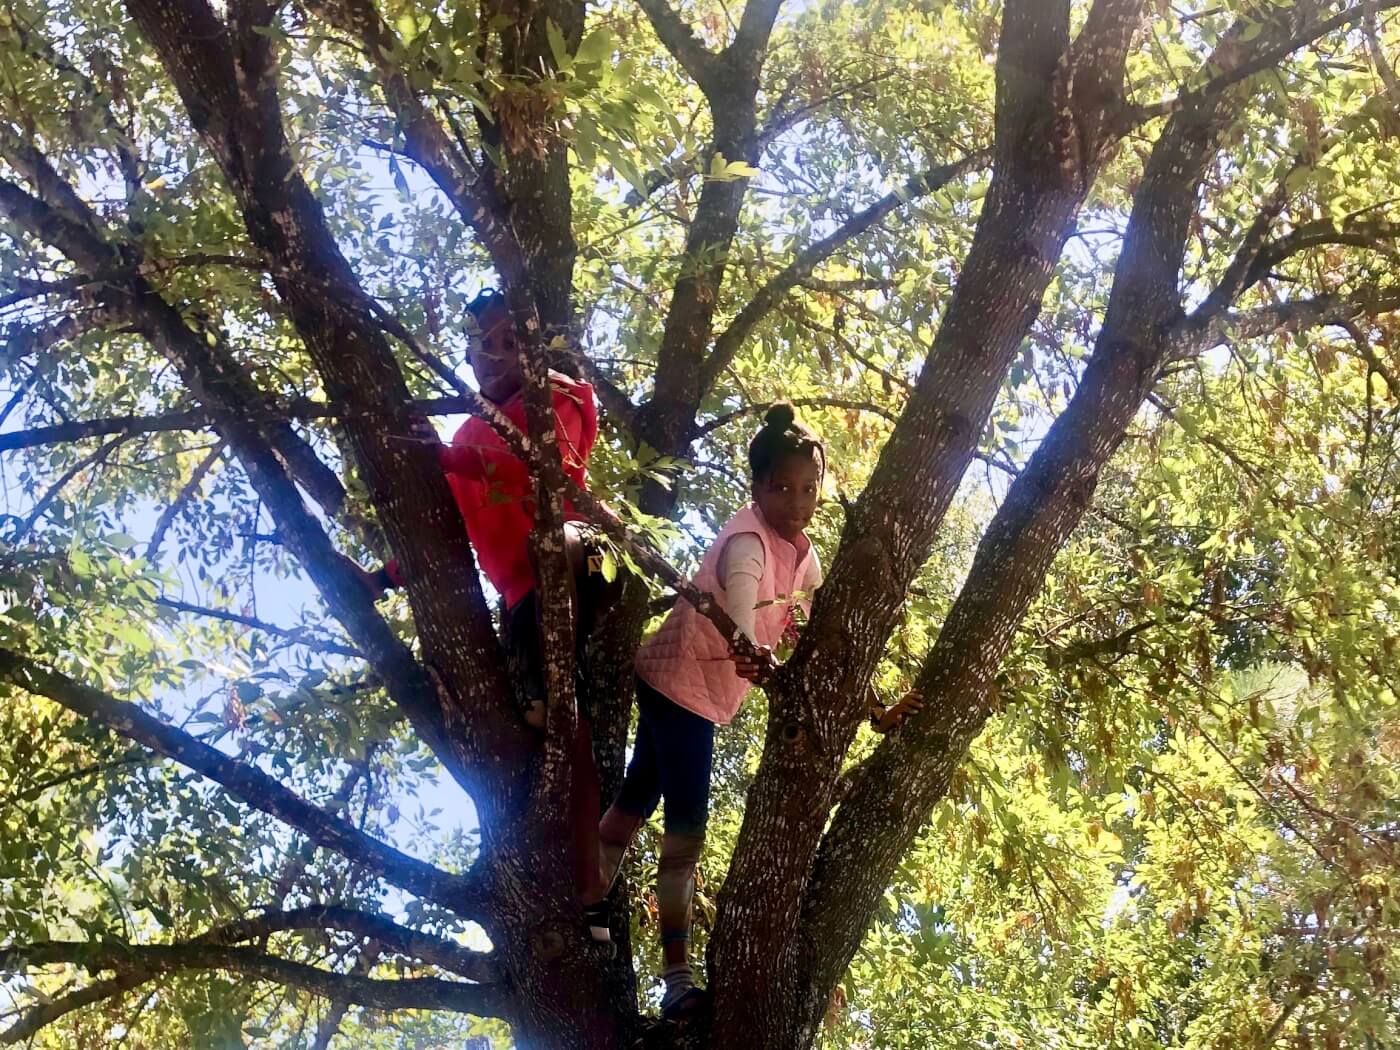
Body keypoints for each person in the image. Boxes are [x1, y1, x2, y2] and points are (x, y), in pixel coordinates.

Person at [596, 402, 920, 1017]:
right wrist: (750, 650)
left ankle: (585, 899)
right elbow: (743, 620)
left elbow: (826, 641)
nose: (797, 502)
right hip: (682, 686)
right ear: (757, 487)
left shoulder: (803, 555)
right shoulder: (747, 543)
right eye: (781, 488)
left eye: (809, 488)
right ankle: (676, 979)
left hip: (685, 684)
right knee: (686, 831)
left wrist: (875, 707)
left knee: (636, 798)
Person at [350, 289, 615, 947]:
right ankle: (569, 878)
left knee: (566, 563)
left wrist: (448, 457)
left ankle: (591, 886)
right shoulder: (467, 435)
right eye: (483, 343)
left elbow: (544, 473)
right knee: (545, 719)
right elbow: (446, 529)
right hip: (522, 600)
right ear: (467, 355)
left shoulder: (558, 398)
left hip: (576, 560)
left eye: (510, 341)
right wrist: (380, 579)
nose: (496, 355)